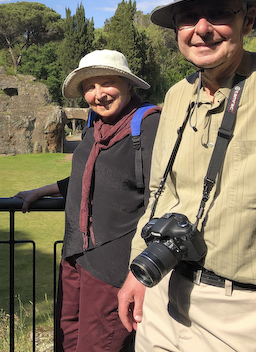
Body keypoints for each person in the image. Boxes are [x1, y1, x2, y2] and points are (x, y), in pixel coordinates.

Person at [117, 0, 256, 351]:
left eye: (218, 13)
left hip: (250, 314)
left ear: (248, 21)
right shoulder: (178, 95)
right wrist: (138, 269)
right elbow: (159, 194)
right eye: (187, 17)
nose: (201, 28)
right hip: (163, 298)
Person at [15, 49, 160, 351]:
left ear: (127, 84)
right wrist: (41, 191)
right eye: (89, 87)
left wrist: (143, 271)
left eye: (107, 83)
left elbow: (163, 199)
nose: (99, 94)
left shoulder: (147, 127)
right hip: (76, 256)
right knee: (67, 341)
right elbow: (94, 179)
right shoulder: (96, 128)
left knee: (99, 345)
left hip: (114, 265)